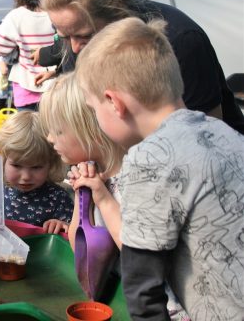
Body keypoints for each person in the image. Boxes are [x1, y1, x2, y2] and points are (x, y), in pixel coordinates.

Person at [74, 17, 244, 320]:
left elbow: (143, 287)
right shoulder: (227, 134)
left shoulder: (151, 158)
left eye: (93, 108)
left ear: (114, 102)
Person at [40, 0, 244, 134]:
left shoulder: (179, 41)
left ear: (117, 10)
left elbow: (207, 138)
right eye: (64, 36)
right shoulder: (78, 50)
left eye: (85, 35)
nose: (74, 48)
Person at [39, 72, 190, 320]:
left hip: (164, 308)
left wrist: (103, 198)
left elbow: (139, 248)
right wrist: (82, 197)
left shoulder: (135, 179)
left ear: (90, 131)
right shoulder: (91, 173)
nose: (50, 138)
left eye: (57, 130)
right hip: (120, 296)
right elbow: (80, 243)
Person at [0, 111, 73, 232]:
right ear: (3, 159)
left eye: (36, 167)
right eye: (16, 165)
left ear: (51, 163)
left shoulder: (59, 199)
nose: (26, 177)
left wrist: (63, 225)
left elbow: (75, 232)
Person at [0, 0, 57, 111]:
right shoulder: (53, 14)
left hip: (25, 82)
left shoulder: (16, 16)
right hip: (53, 82)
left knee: (27, 130)